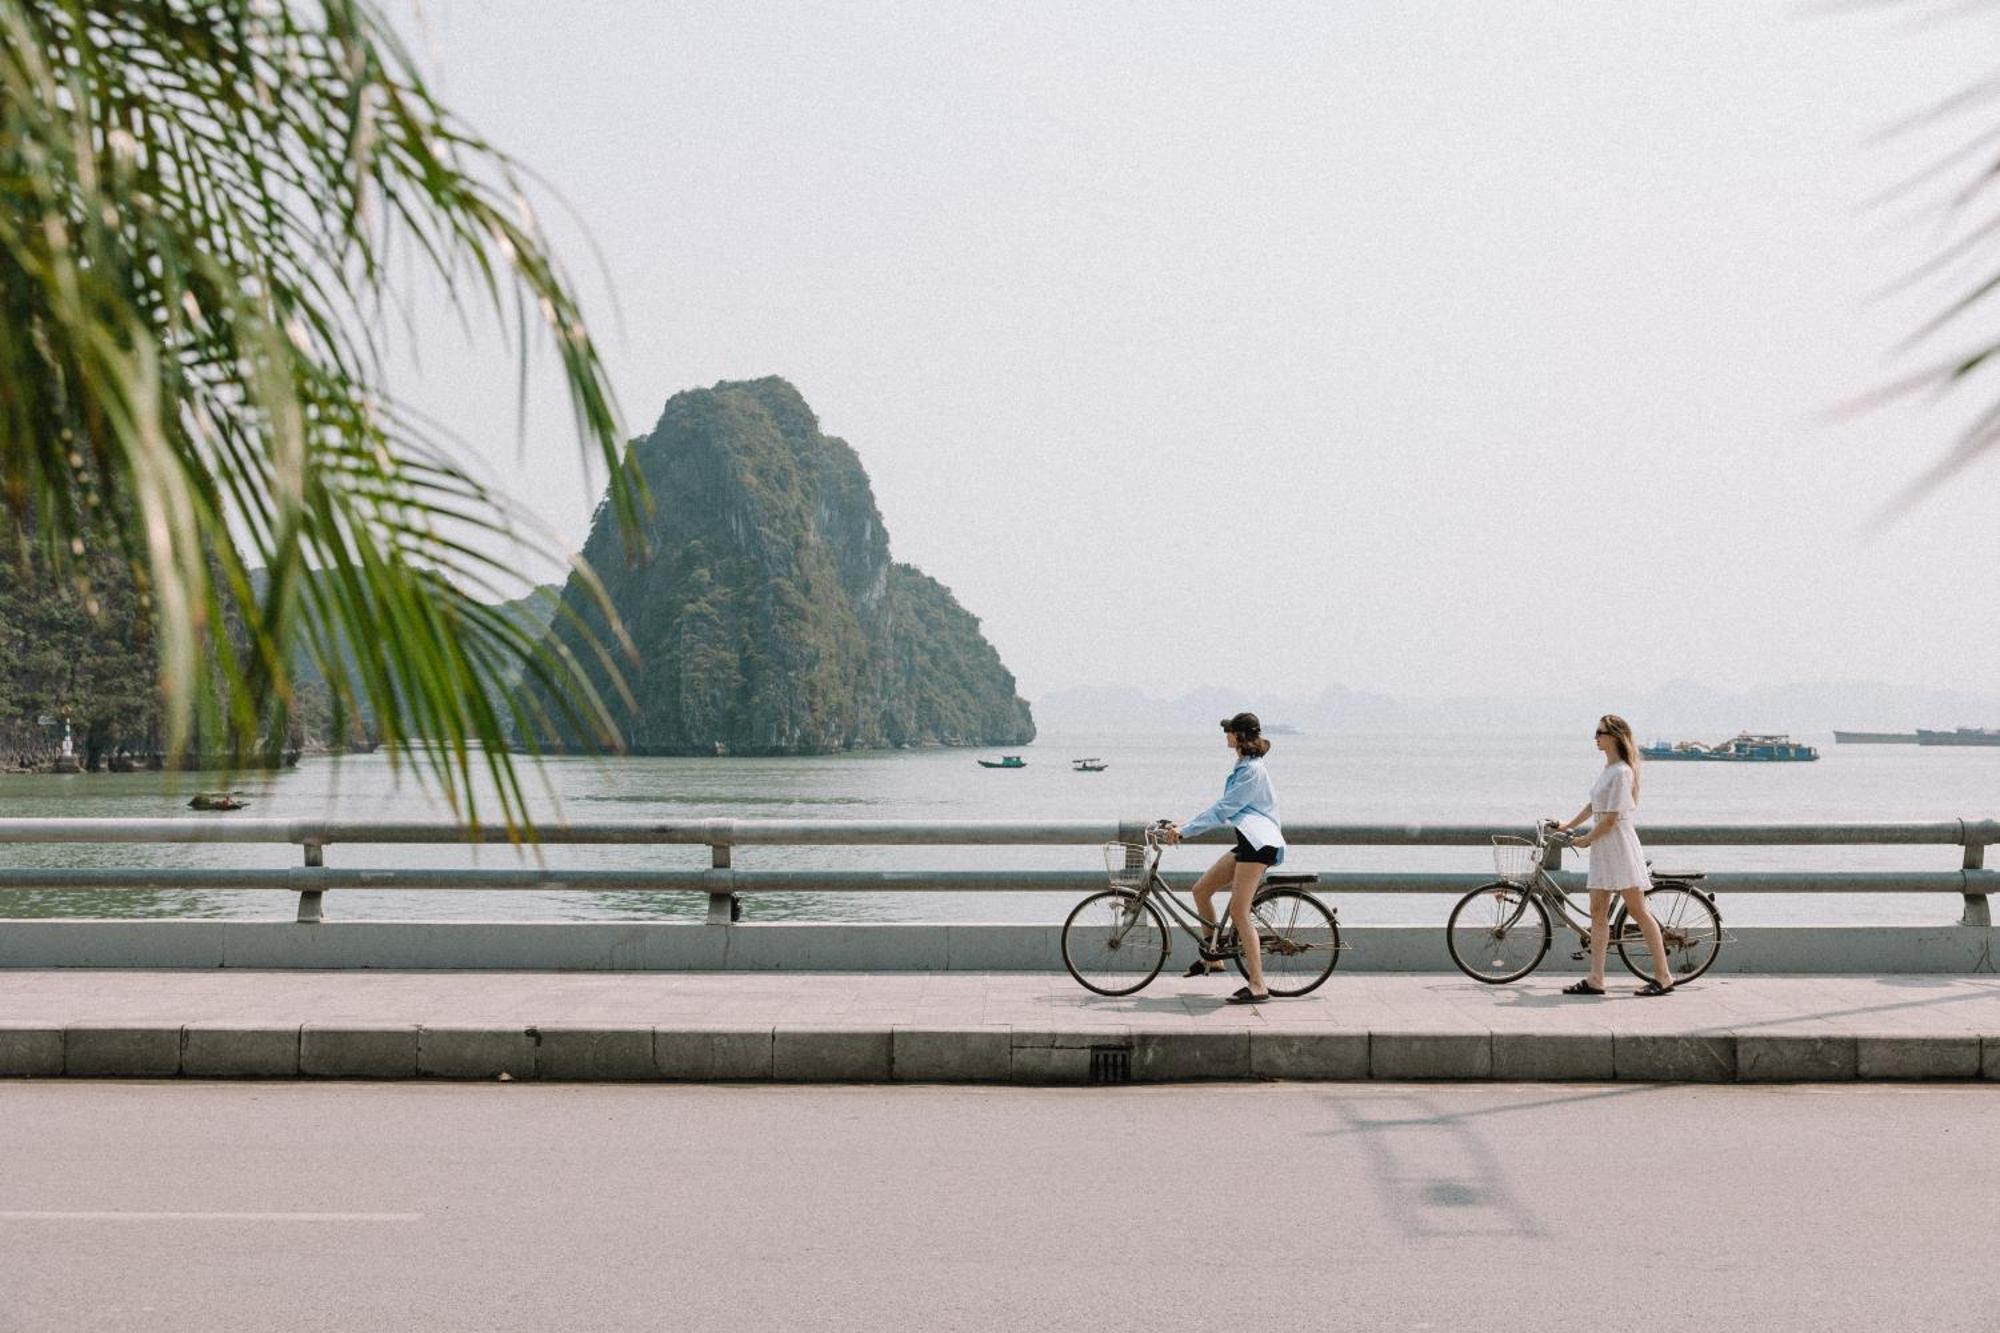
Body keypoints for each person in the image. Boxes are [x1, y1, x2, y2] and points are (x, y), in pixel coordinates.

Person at [1167, 711, 1285, 1004]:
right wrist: (1185, 825)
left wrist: (1186, 831)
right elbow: (1223, 808)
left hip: (1258, 846)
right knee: (1201, 890)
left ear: (1240, 736)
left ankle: (1258, 985)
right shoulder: (1244, 764)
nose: (1226, 735)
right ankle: (1214, 957)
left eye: (1229, 731)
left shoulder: (1251, 772)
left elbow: (1223, 810)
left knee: (1239, 912)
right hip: (1248, 843)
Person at [1554, 714, 1676, 996]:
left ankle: (1664, 976)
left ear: (1615, 737)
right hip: (1603, 847)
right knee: (1598, 913)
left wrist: (1585, 839)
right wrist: (1569, 825)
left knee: (1638, 911)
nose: (1595, 737)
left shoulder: (1622, 771)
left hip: (1617, 844)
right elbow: (1594, 805)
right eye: (1596, 732)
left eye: (1600, 732)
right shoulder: (1609, 768)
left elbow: (1609, 819)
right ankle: (1596, 978)